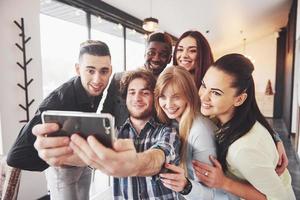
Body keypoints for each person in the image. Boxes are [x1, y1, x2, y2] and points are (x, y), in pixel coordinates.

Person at [7, 40, 113, 200]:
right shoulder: (58, 101)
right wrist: (56, 159)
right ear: (78, 69)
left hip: (84, 164)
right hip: (63, 171)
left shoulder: (97, 89)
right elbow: (15, 156)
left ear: (110, 71)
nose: (97, 80)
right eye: (90, 71)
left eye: (103, 71)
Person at [193, 53, 296, 199]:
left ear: (239, 99)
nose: (203, 96)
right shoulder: (238, 120)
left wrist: (224, 183)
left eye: (216, 93)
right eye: (204, 85)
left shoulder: (243, 148)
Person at [68, 69, 181, 199]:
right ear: (125, 98)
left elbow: (160, 155)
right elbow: (89, 158)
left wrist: (134, 164)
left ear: (154, 98)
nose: (137, 98)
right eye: (132, 92)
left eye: (144, 93)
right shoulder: (114, 135)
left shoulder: (168, 131)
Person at [154, 66, 231, 199]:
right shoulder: (172, 123)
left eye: (176, 97)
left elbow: (214, 194)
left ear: (188, 96)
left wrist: (185, 186)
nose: (168, 104)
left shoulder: (200, 131)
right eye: (163, 96)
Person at [102, 31, 173, 127]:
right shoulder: (118, 79)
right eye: (151, 52)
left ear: (169, 59)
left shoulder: (169, 88)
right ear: (144, 54)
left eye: (163, 55)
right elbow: (105, 117)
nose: (156, 58)